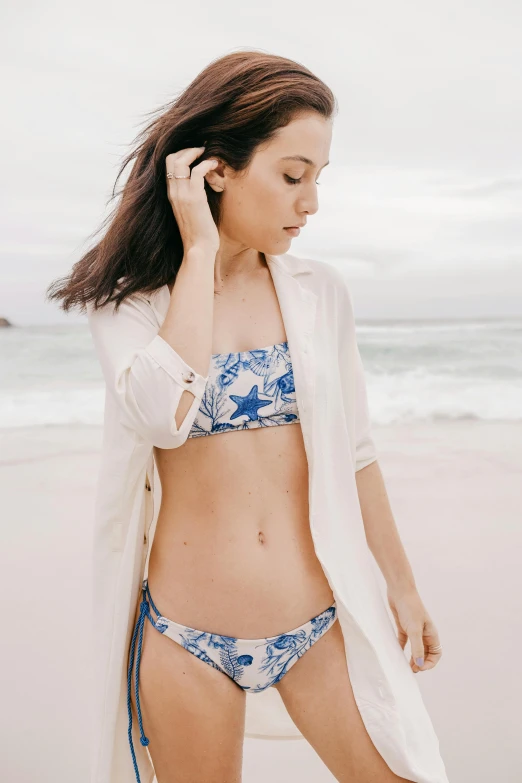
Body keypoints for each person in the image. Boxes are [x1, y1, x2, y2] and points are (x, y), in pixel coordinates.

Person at [47, 51, 449, 783]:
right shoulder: (130, 307)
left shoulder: (319, 293)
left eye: (319, 179)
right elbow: (163, 417)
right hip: (183, 638)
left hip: (319, 624)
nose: (311, 203)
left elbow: (356, 453)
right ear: (215, 171)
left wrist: (404, 585)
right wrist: (199, 250)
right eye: (293, 176)